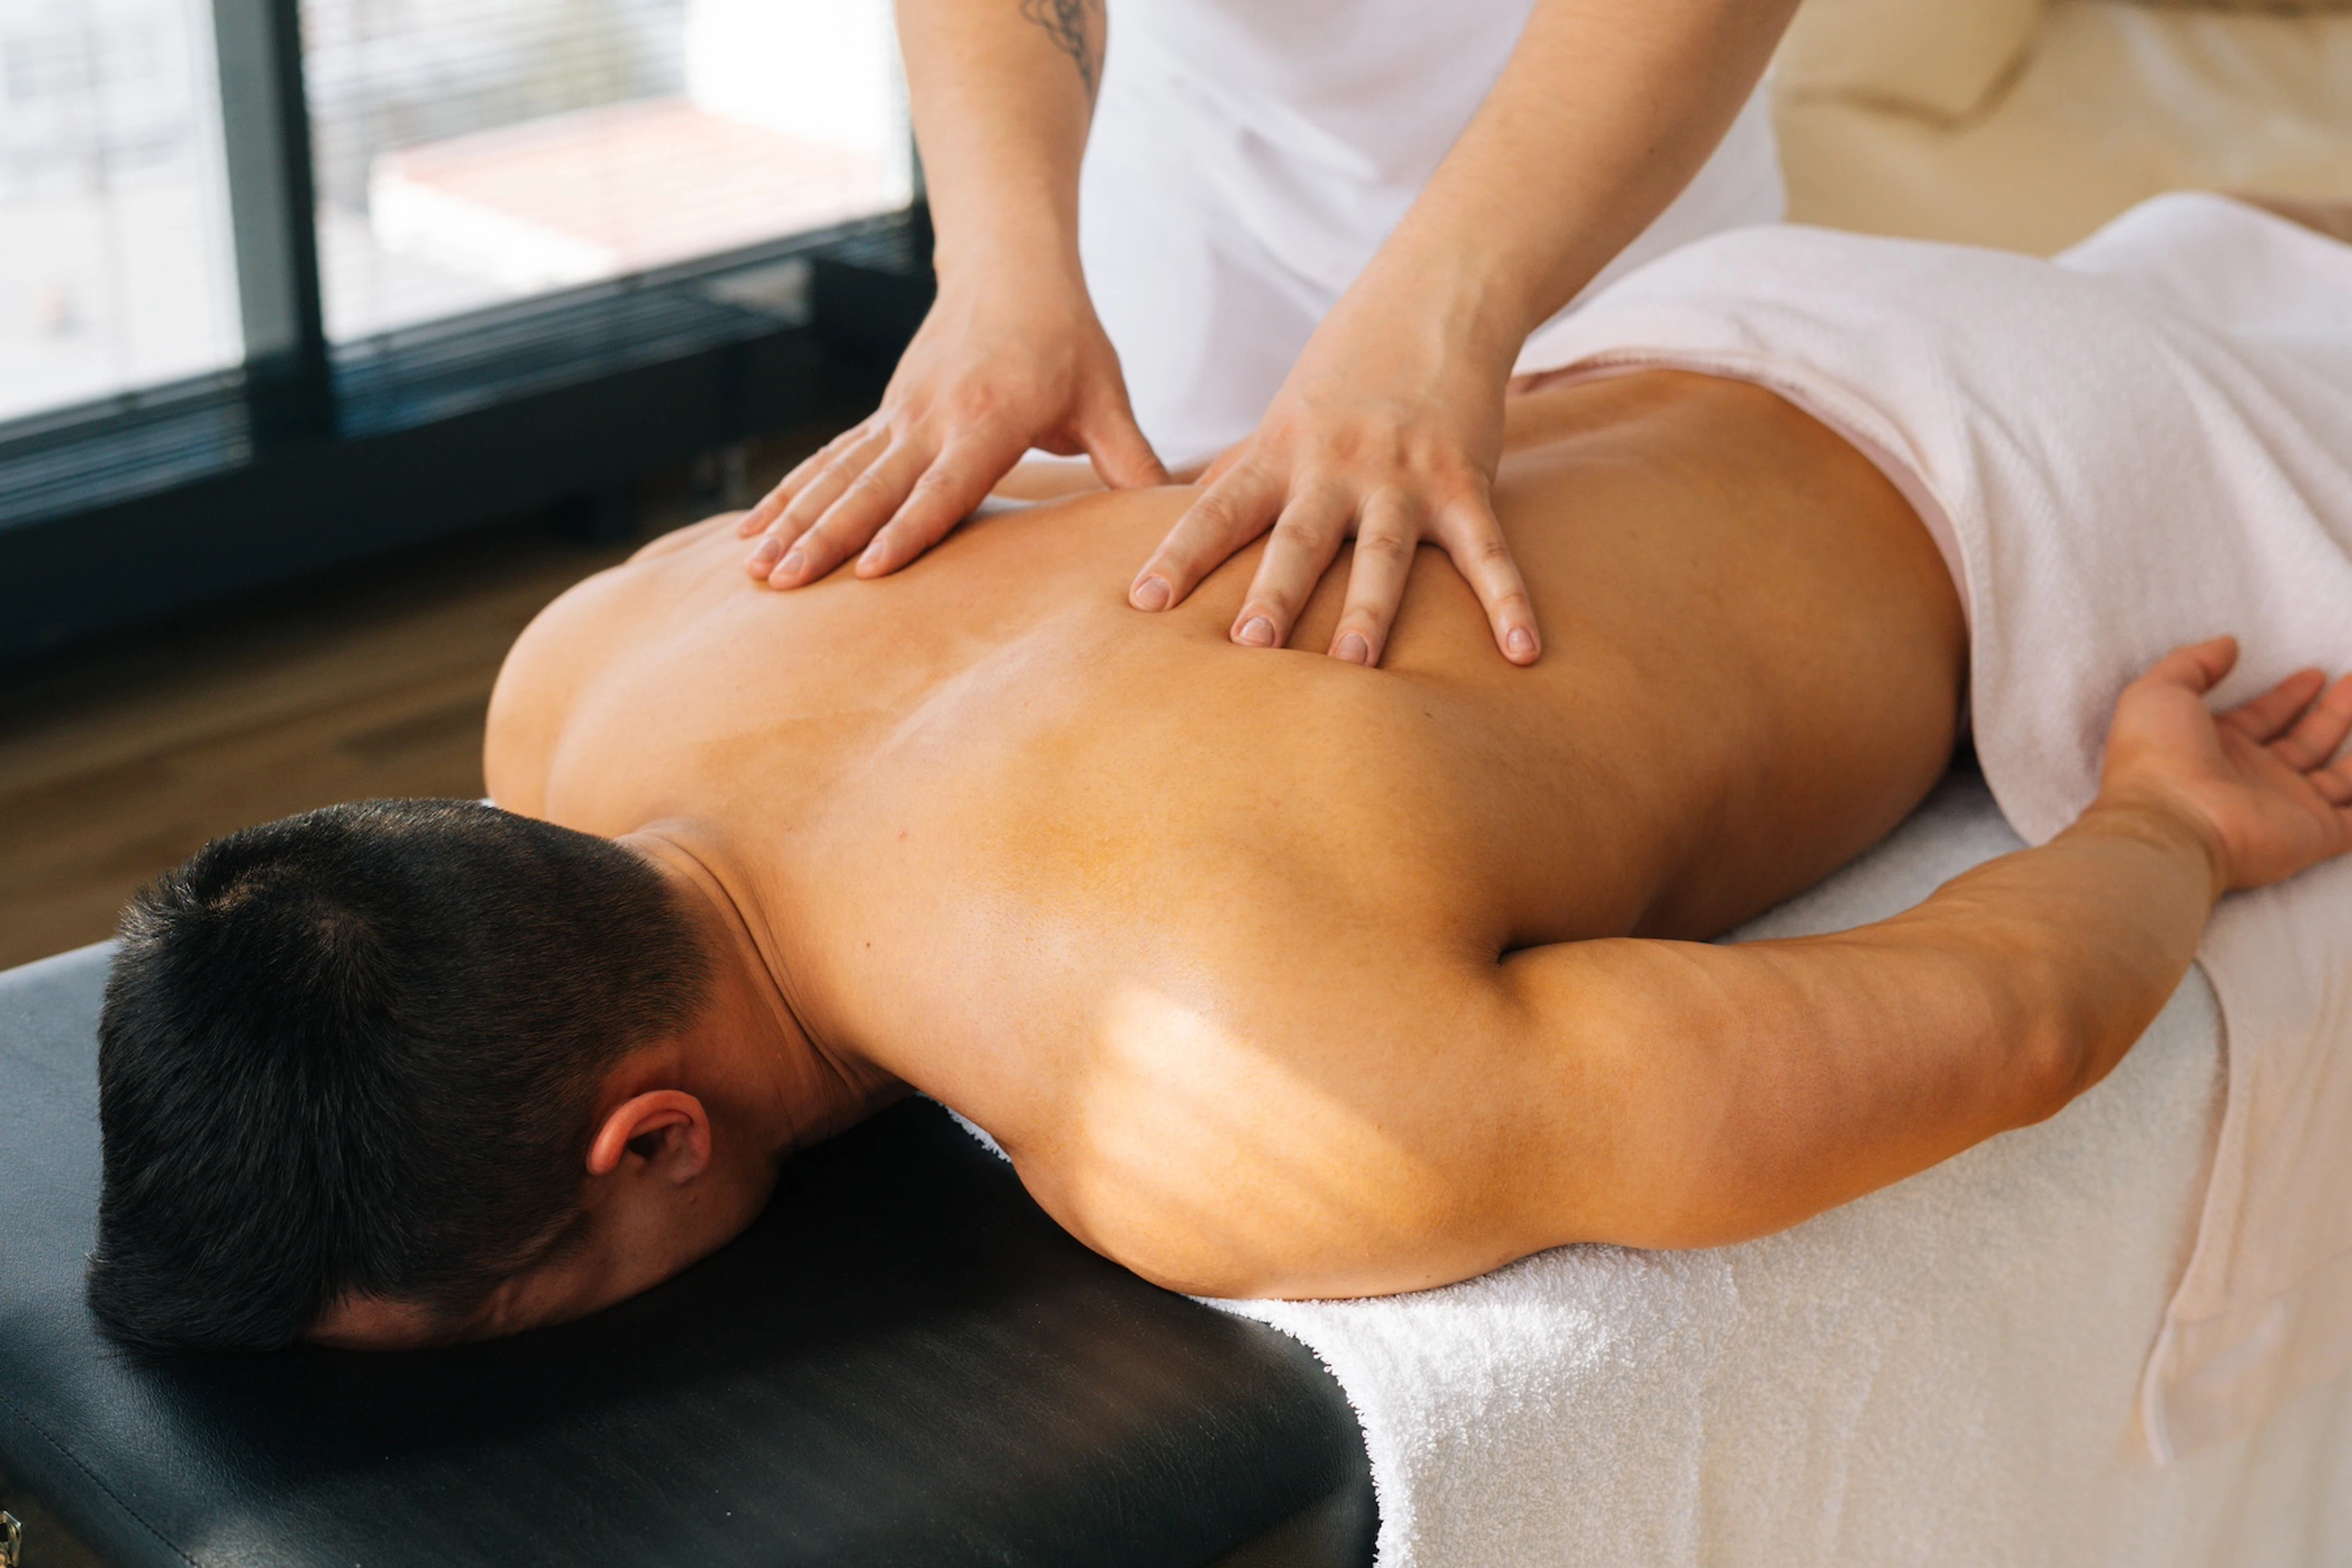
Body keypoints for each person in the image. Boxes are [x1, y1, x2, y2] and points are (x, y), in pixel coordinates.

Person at [87, 195, 2352, 1355]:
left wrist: (2164, 823)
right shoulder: (590, 668)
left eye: (523, 1313)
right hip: (1705, 314)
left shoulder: (1220, 1095)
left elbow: (2013, 1027)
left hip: (2055, 465)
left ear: (651, 1135)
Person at [731, 0, 1796, 669]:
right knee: (1187, 656)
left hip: (1609, 184)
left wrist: (1448, 314)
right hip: (1200, 194)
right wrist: (995, 262)